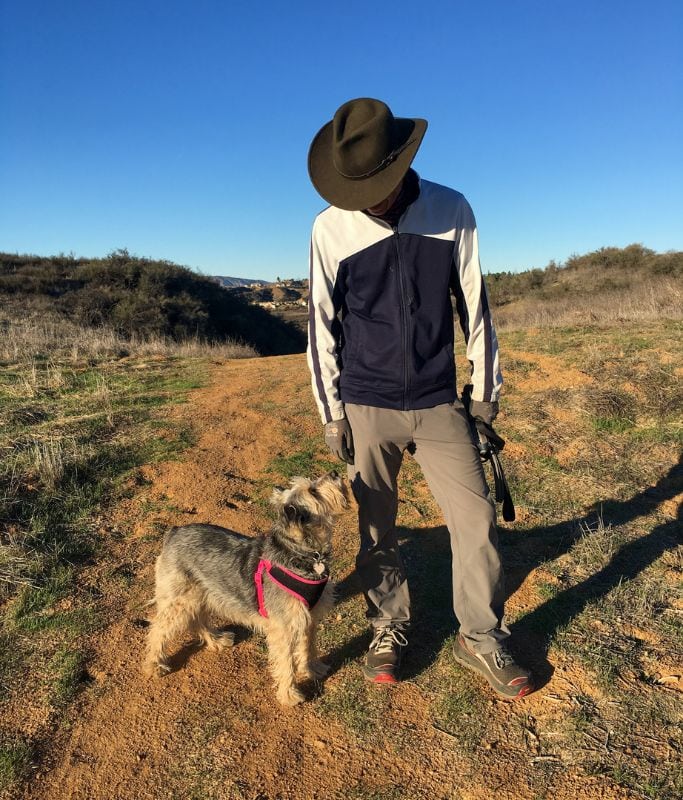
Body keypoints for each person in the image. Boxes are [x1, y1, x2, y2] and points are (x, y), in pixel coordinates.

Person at [305, 97, 533, 699]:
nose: (367, 200)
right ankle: (388, 624)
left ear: (401, 162)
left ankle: (480, 637)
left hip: (437, 399)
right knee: (377, 527)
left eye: (376, 185)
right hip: (366, 400)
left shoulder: (451, 209)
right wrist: (333, 412)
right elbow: (322, 325)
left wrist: (484, 392)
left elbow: (475, 306)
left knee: (476, 518)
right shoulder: (329, 228)